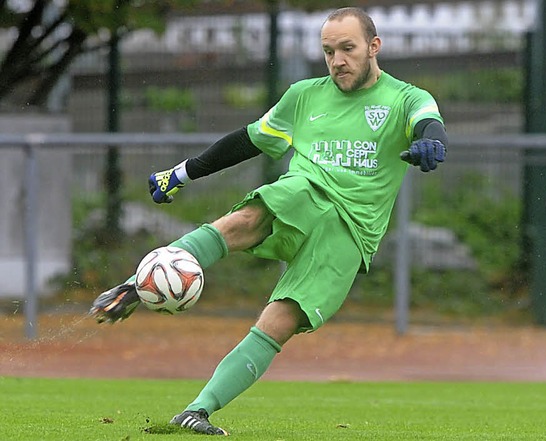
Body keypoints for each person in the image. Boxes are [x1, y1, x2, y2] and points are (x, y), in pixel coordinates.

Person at [90, 6, 447, 436]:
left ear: (374, 47)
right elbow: (247, 141)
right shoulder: (304, 95)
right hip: (306, 192)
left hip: (352, 233)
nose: (337, 61)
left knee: (279, 322)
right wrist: (183, 172)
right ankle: (136, 283)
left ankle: (196, 412)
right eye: (329, 51)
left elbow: (428, 122)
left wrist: (431, 143)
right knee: (246, 217)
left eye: (348, 49)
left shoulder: (405, 97)